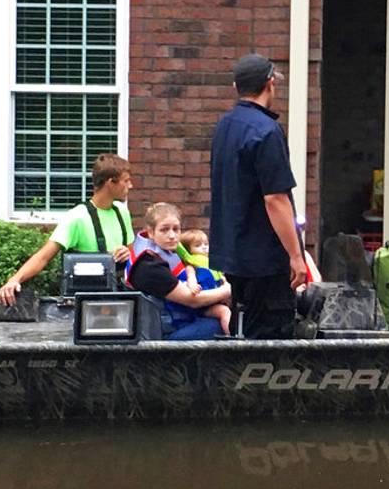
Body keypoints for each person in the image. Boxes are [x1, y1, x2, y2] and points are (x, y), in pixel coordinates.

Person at [210, 53, 306, 339]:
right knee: (269, 344)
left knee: (244, 333)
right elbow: (275, 198)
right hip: (265, 260)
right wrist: (296, 256)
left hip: (233, 256)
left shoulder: (225, 127)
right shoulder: (267, 131)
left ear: (235, 86)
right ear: (270, 83)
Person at [0, 153, 133, 306]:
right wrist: (14, 280)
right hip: (86, 302)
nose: (130, 186)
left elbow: (130, 255)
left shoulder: (122, 213)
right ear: (110, 183)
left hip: (117, 300)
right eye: (126, 181)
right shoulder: (77, 217)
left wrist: (125, 254)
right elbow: (43, 257)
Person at [127, 203, 233, 340]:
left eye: (176, 229)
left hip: (180, 321)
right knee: (222, 324)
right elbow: (192, 300)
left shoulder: (165, 252)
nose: (172, 236)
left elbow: (189, 271)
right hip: (164, 334)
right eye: (164, 230)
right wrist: (228, 289)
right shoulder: (148, 265)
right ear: (151, 232)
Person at [176, 228, 232, 335]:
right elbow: (191, 275)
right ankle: (230, 337)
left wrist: (225, 284)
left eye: (206, 244)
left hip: (217, 298)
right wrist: (192, 284)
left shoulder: (212, 264)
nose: (204, 247)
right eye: (197, 245)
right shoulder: (191, 264)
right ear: (188, 250)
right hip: (204, 305)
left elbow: (222, 278)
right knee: (224, 311)